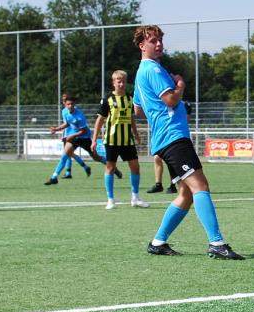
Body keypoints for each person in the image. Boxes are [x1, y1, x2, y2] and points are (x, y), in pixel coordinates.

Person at [132, 25, 243, 259]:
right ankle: (216, 243)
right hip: (173, 137)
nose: (158, 44)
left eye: (160, 40)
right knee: (200, 186)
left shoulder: (141, 72)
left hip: (165, 138)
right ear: (142, 45)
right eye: (152, 40)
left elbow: (138, 109)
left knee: (186, 193)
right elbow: (171, 100)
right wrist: (180, 85)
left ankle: (158, 242)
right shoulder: (153, 69)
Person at [91, 69, 150, 210]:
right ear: (114, 82)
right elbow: (100, 120)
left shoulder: (130, 99)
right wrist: (94, 140)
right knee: (110, 168)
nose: (121, 84)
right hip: (112, 140)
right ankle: (110, 199)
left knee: (135, 167)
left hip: (127, 140)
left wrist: (136, 133)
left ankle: (135, 198)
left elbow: (131, 118)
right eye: (119, 81)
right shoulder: (108, 99)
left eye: (123, 81)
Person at [43, 94, 103, 185]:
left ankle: (112, 168)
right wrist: (56, 129)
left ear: (74, 104)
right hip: (72, 137)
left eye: (71, 104)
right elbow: (67, 123)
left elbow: (84, 130)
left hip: (84, 137)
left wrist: (71, 136)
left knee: (96, 157)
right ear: (64, 103)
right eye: (67, 103)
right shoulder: (64, 112)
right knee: (65, 155)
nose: (69, 105)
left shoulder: (79, 115)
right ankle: (55, 177)